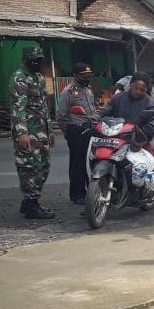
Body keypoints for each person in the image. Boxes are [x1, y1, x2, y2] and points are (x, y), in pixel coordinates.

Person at [99, 72, 154, 215]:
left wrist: (143, 130)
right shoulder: (118, 98)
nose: (138, 92)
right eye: (135, 88)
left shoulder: (149, 103)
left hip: (138, 141)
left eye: (142, 90)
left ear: (146, 89)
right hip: (116, 138)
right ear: (130, 85)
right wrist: (97, 119)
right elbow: (106, 112)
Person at [10, 46, 56, 220]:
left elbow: (44, 107)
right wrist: (22, 133)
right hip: (28, 132)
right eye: (34, 60)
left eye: (40, 60)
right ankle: (31, 205)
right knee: (29, 167)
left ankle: (30, 200)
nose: (38, 63)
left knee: (43, 166)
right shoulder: (19, 78)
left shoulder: (37, 77)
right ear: (26, 60)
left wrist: (50, 130)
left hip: (41, 132)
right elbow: (17, 109)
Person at [56, 62, 97, 205]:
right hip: (76, 130)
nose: (86, 78)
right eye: (83, 76)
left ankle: (92, 190)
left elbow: (92, 109)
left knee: (90, 161)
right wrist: (68, 132)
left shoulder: (88, 90)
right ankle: (77, 194)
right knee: (78, 163)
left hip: (91, 128)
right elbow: (61, 115)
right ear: (75, 76)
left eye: (88, 75)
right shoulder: (68, 91)